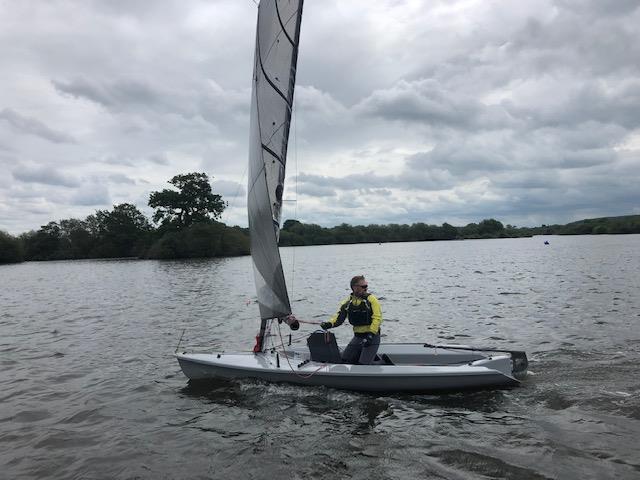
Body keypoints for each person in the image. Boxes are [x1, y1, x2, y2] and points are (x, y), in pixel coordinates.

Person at [320, 275, 382, 364]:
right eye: (363, 286)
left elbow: (377, 318)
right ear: (354, 287)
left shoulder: (372, 300)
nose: (366, 288)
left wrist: (371, 335)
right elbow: (338, 317)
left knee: (363, 364)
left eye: (366, 286)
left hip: (372, 337)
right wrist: (329, 324)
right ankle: (371, 357)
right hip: (358, 337)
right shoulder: (348, 302)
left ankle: (382, 362)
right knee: (344, 360)